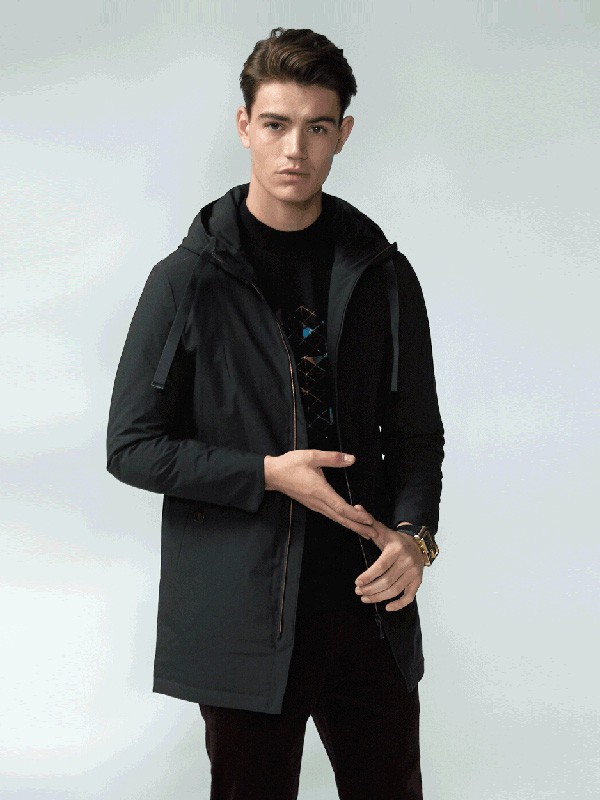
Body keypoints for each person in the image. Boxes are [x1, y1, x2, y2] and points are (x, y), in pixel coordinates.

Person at [106, 26, 444, 800]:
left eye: (317, 128)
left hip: (368, 607)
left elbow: (416, 435)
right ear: (244, 126)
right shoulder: (187, 281)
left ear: (343, 135)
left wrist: (415, 537)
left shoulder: (383, 274)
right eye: (276, 124)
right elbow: (131, 446)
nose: (296, 149)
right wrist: (267, 473)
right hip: (244, 615)